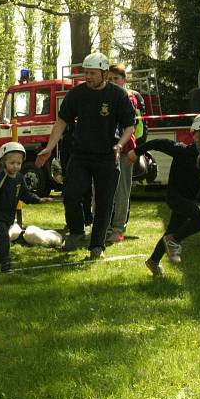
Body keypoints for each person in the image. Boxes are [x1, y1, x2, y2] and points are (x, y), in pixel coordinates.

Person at [35, 52, 135, 260]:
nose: (87, 77)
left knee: (104, 202)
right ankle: (76, 233)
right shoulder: (76, 94)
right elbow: (61, 122)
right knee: (71, 194)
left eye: (92, 73)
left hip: (107, 156)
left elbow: (129, 126)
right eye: (85, 73)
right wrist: (49, 147)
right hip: (80, 155)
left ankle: (96, 246)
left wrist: (119, 145)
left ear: (104, 74)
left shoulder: (118, 95)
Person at [128, 112, 200, 277]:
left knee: (170, 232)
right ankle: (174, 241)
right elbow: (158, 143)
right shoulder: (182, 151)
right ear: (197, 136)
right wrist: (136, 152)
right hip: (175, 197)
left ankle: (153, 261)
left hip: (189, 199)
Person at [0, 143, 53, 272]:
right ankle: (5, 264)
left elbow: (25, 194)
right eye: (12, 163)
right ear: (3, 162)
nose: (16, 166)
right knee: (4, 239)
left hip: (9, 216)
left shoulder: (19, 178)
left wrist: (39, 199)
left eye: (18, 163)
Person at [106, 64, 147, 244]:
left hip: (126, 150)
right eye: (110, 79)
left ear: (124, 79)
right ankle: (104, 226)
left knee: (122, 191)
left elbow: (137, 128)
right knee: (104, 191)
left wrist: (136, 151)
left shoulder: (130, 97)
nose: (113, 82)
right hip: (105, 150)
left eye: (116, 78)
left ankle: (118, 229)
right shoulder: (104, 96)